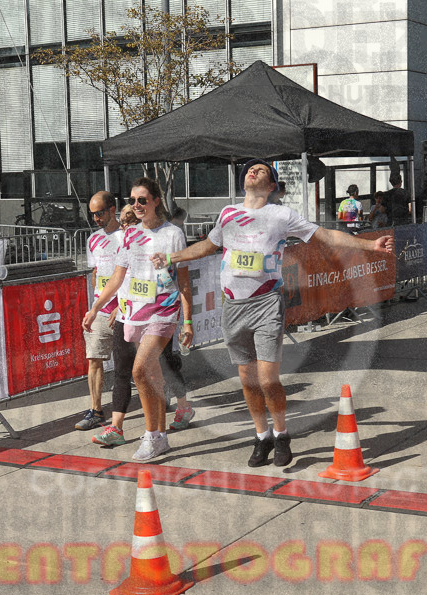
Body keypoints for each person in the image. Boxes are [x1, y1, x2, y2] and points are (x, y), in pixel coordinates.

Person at [148, 159, 395, 468]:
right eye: (251, 169)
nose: (254, 170)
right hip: (232, 307)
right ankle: (262, 436)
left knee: (268, 381)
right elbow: (207, 247)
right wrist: (171, 256)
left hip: (266, 304)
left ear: (271, 185)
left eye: (262, 170)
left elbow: (327, 237)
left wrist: (370, 245)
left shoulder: (281, 215)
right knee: (248, 382)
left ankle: (282, 434)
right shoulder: (228, 214)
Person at [83, 177, 194, 461]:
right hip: (134, 313)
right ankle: (161, 436)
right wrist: (96, 307)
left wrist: (189, 321)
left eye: (142, 200)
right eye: (133, 200)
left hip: (163, 311)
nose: (137, 205)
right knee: (153, 377)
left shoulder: (173, 234)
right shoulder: (130, 235)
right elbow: (118, 276)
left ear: (157, 201)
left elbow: (183, 281)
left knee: (139, 370)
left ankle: (152, 435)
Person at [75, 191, 122, 431]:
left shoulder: (127, 236)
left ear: (113, 210)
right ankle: (95, 411)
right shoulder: (93, 239)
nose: (96, 219)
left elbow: (132, 272)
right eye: (93, 214)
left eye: (100, 213)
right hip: (101, 309)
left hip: (126, 309)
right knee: (94, 359)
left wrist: (123, 304)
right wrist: (95, 306)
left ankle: (158, 399)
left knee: (135, 364)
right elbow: (96, 273)